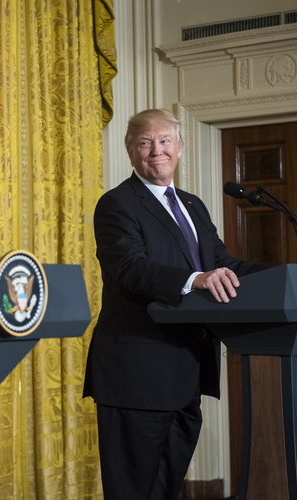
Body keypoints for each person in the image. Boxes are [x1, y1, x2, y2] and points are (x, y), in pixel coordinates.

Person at [83, 109, 266, 499]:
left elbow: (222, 264)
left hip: (187, 371)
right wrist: (195, 279)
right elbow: (131, 268)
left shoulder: (192, 205)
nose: (156, 151)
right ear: (131, 152)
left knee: (166, 489)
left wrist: (278, 278)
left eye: (165, 141)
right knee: (134, 491)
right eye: (145, 143)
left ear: (179, 149)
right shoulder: (117, 204)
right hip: (136, 376)